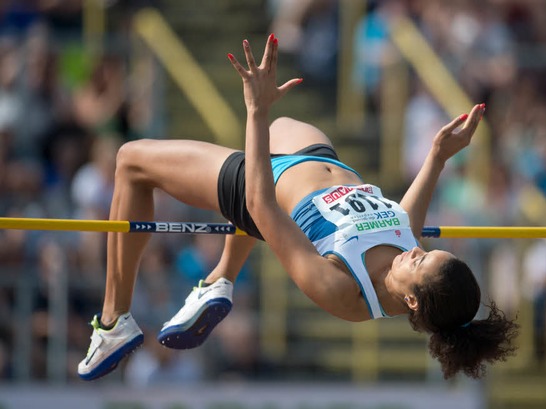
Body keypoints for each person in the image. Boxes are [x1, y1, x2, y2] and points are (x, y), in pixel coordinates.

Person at [77, 34, 519, 381]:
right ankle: (219, 280)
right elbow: (405, 220)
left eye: (421, 260)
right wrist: (438, 156)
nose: (415, 249)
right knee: (287, 123)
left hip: (263, 191)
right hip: (318, 159)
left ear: (411, 301)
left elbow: (261, 208)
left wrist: (256, 111)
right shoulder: (405, 259)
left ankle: (114, 320)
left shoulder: (346, 293)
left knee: (130, 160)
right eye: (426, 250)